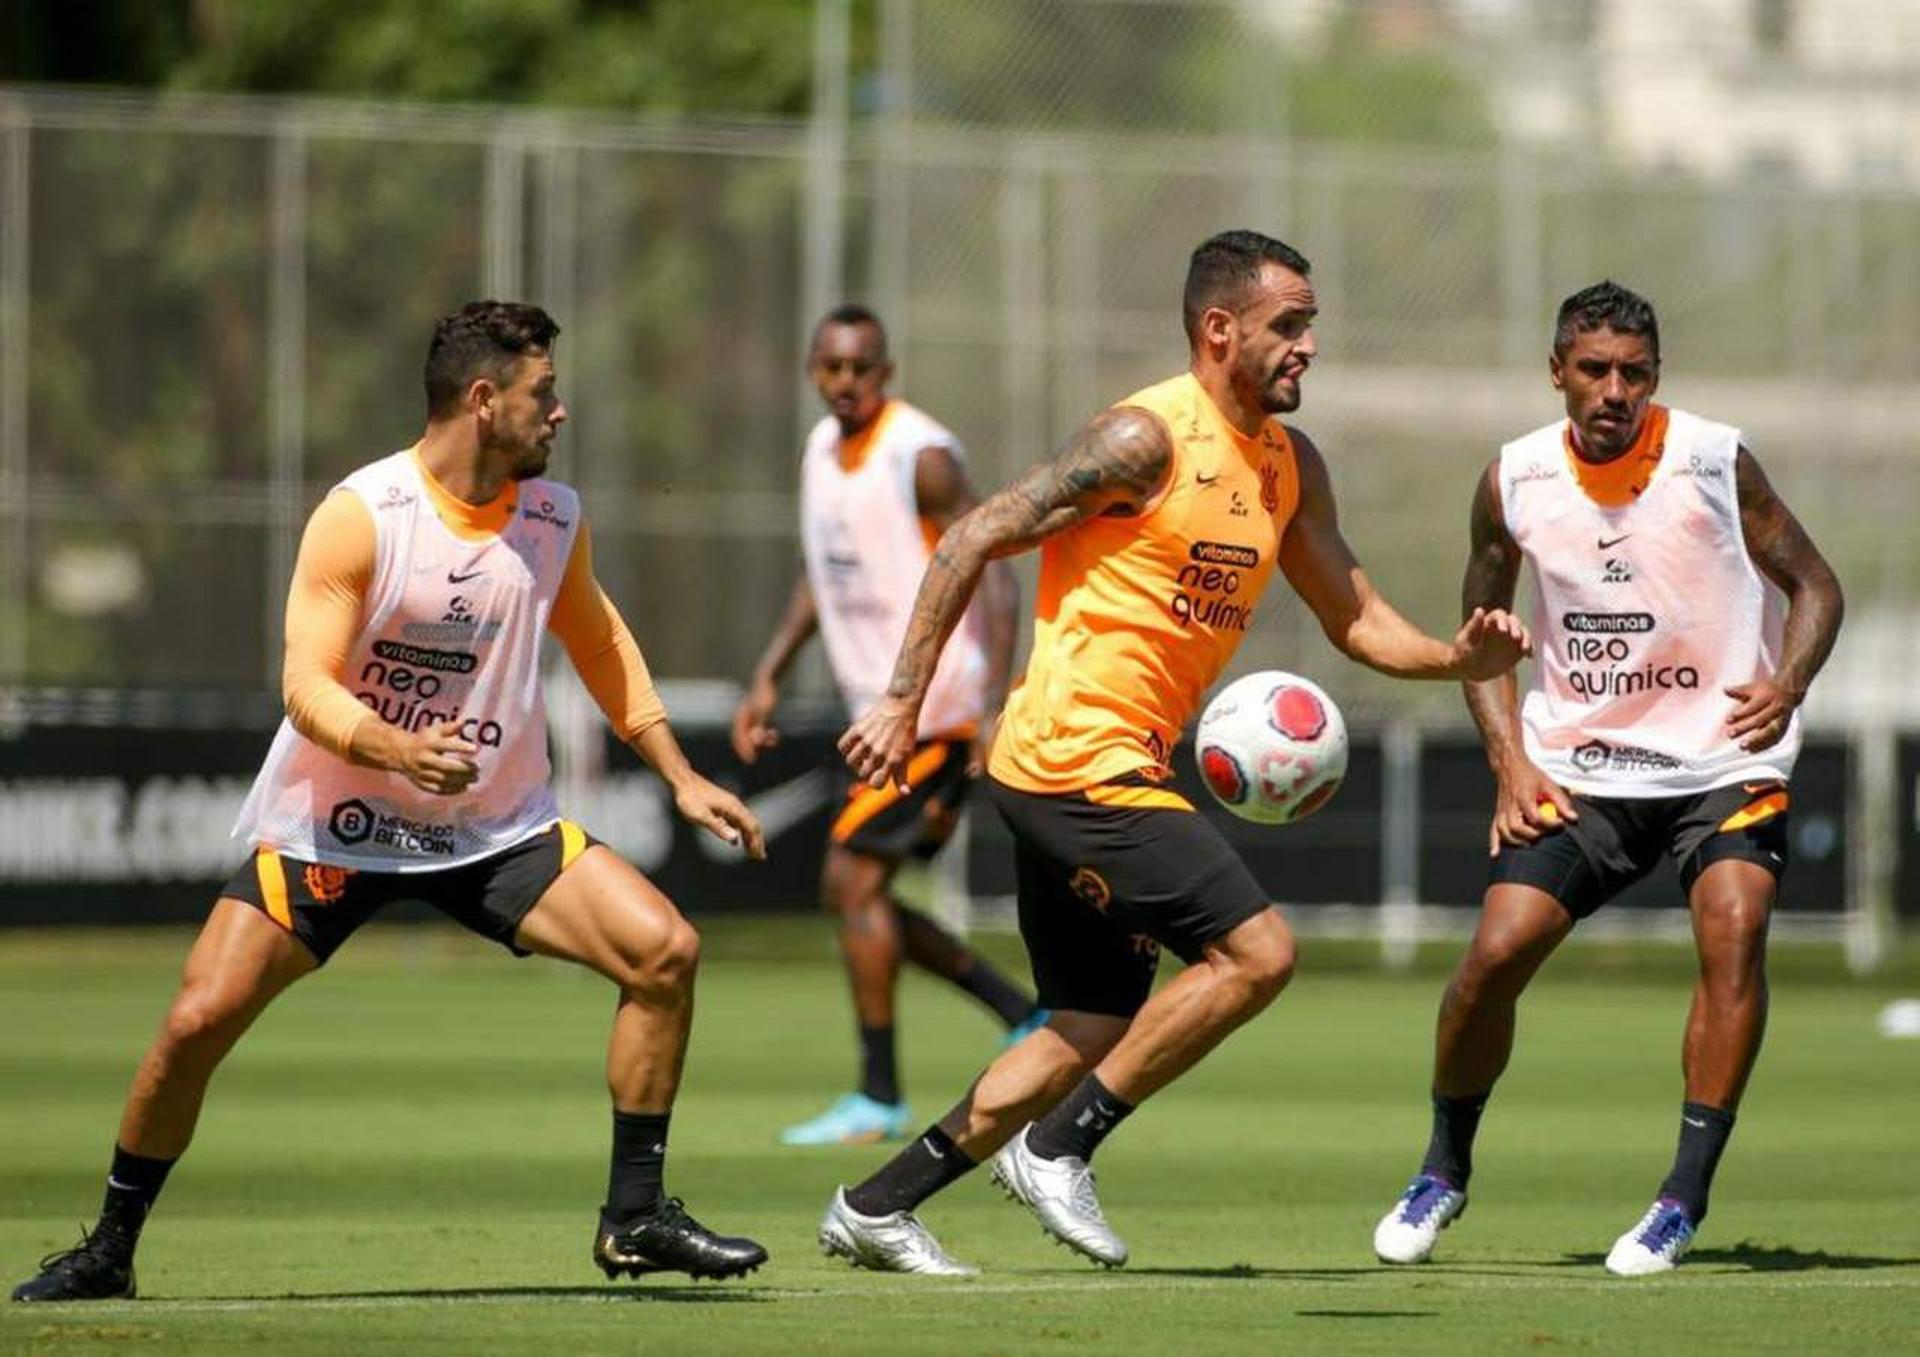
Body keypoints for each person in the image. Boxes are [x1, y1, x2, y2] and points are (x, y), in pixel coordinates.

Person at [12, 302, 771, 1303]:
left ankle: (634, 1216)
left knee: (665, 951)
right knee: (196, 1020)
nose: (561, 411)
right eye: (544, 393)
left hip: (495, 827)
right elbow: (306, 683)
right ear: (482, 398)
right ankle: (110, 1244)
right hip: (340, 824)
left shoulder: (552, 517)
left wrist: (678, 770)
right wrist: (398, 747)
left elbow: (600, 644)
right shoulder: (365, 512)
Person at [815, 230, 1532, 1275]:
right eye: (1290, 325)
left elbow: (1356, 614)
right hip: (1071, 759)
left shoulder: (1289, 466)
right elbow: (973, 536)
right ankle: (1058, 1147)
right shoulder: (1144, 439)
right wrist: (899, 701)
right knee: (1258, 953)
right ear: (1218, 330)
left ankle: (877, 1204)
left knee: (1092, 1021)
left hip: (1105, 770)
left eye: (1311, 324)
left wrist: (1452, 654)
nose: (1309, 346)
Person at [1371, 281, 1843, 1277]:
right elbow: (1482, 640)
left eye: (1634, 372)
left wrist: (1789, 680)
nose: (1614, 389)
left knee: (1736, 928)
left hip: (1723, 759)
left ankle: (1680, 1198)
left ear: (1656, 377)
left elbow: (1816, 584)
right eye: (1594, 370)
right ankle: (1443, 1168)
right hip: (1581, 770)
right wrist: (1510, 761)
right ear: (1558, 374)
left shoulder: (1715, 459)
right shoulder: (1511, 480)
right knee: (1494, 956)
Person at [732, 304, 1045, 1148]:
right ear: (812, 369)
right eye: (831, 368)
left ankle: (880, 1094)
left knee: (849, 881)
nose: (845, 383)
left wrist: (992, 704)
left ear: (887, 371)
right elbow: (823, 573)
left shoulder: (923, 457)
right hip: (874, 715)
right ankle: (1023, 1013)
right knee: (857, 889)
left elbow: (998, 563)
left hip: (936, 711)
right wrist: (768, 673)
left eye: (860, 369)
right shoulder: (820, 455)